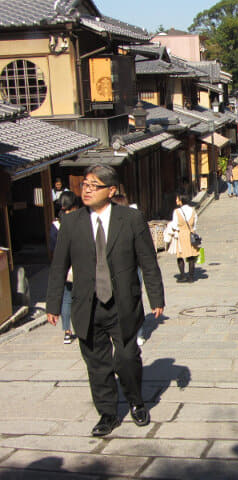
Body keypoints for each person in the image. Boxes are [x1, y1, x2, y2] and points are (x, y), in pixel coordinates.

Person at [46, 164, 164, 437]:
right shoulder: (71, 222)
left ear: (111, 191)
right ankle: (107, 414)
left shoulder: (131, 219)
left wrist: (155, 296)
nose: (86, 190)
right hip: (86, 305)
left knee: (126, 358)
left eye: (93, 185)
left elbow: (147, 260)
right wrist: (53, 304)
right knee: (97, 365)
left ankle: (136, 402)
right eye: (84, 184)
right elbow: (59, 266)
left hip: (122, 303)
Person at [111, 194, 146, 346]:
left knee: (133, 300)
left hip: (132, 268)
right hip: (120, 270)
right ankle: (132, 332)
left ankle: (137, 332)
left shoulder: (132, 222)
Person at [49, 190, 81, 344]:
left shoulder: (56, 224)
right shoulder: (78, 220)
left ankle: (67, 332)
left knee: (67, 299)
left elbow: (52, 247)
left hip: (63, 268)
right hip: (78, 265)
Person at [171, 193, 199, 283]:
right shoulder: (193, 210)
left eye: (177, 199)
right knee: (191, 256)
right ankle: (191, 277)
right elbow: (195, 224)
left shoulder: (177, 212)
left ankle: (182, 276)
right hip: (191, 234)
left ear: (181, 200)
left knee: (180, 256)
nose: (176, 201)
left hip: (181, 234)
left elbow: (175, 225)